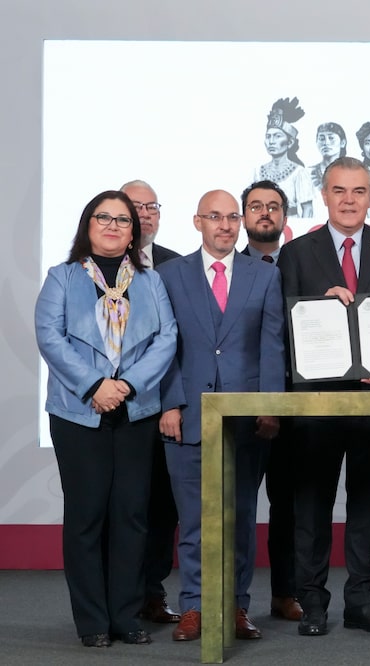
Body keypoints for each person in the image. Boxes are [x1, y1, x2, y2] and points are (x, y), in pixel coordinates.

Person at [277, 156, 370, 637]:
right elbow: (285, 334)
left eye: (359, 191)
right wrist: (321, 308)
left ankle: (361, 600)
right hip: (316, 405)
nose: (350, 200)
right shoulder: (297, 254)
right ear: (324, 195)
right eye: (340, 191)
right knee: (311, 509)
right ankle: (312, 603)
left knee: (366, 511)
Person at [35, 190, 177, 647]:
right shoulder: (62, 277)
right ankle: (93, 621)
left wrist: (128, 386)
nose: (113, 226)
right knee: (86, 516)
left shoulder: (151, 281)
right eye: (104, 217)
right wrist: (96, 386)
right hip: (79, 412)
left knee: (132, 516)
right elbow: (50, 337)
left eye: (123, 219)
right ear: (87, 224)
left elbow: (166, 338)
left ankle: (127, 616)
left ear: (134, 231)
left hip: (135, 410)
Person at [157, 189, 285, 642]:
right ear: (198, 222)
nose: (226, 225)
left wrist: (270, 407)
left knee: (241, 519)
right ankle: (194, 606)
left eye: (233, 216)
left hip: (245, 421)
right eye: (216, 217)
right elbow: (162, 347)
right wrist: (169, 402)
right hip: (187, 417)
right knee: (193, 520)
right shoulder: (169, 275)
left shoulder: (264, 276)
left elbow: (272, 345)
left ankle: (235, 607)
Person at [120, 179, 183, 625]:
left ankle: (152, 593)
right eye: (134, 206)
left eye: (152, 206)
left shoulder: (177, 266)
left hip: (166, 404)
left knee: (163, 505)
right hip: (114, 405)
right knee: (124, 503)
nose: (145, 214)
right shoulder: (93, 267)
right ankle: (118, 593)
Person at [239, 180, 302, 623]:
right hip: (241, 407)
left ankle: (286, 593)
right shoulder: (225, 268)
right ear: (243, 216)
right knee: (239, 505)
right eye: (256, 207)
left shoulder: (300, 264)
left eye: (274, 207)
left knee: (290, 505)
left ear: (285, 215)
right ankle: (232, 601)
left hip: (296, 405)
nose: (265, 213)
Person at [254, 97, 314, 218]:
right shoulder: (258, 172)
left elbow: (308, 210)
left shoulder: (299, 173)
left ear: (290, 142)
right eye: (268, 136)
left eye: (277, 136)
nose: (271, 141)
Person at [310, 122, 348, 189]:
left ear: (343, 143)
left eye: (331, 138)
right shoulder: (307, 173)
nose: (326, 143)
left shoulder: (353, 172)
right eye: (322, 139)